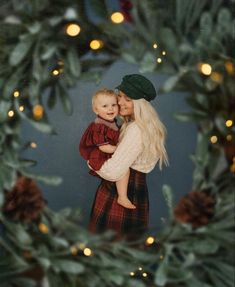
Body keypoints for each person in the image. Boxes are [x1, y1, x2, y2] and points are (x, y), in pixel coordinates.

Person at [88, 74, 169, 238]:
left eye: (128, 99)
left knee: (109, 250)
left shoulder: (136, 130)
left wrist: (91, 163)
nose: (119, 102)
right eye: (120, 96)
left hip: (119, 194)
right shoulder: (136, 126)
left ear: (140, 104)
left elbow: (112, 172)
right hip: (131, 191)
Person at [79, 89, 136, 209]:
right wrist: (120, 149)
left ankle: (122, 196)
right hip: (100, 156)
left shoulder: (112, 122)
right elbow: (104, 147)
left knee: (124, 171)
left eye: (113, 105)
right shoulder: (99, 126)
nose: (110, 109)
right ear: (96, 110)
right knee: (124, 170)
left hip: (108, 155)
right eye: (105, 106)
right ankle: (122, 197)